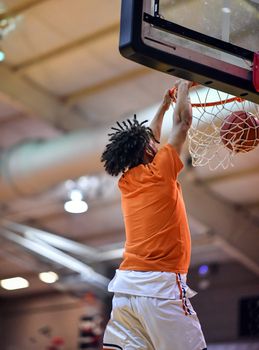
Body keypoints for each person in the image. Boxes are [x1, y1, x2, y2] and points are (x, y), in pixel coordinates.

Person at [101, 80, 207, 350]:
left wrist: (162, 106)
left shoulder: (126, 181)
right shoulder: (161, 171)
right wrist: (183, 86)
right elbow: (183, 123)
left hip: (125, 292)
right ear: (149, 150)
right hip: (160, 289)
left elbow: (150, 137)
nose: (155, 142)